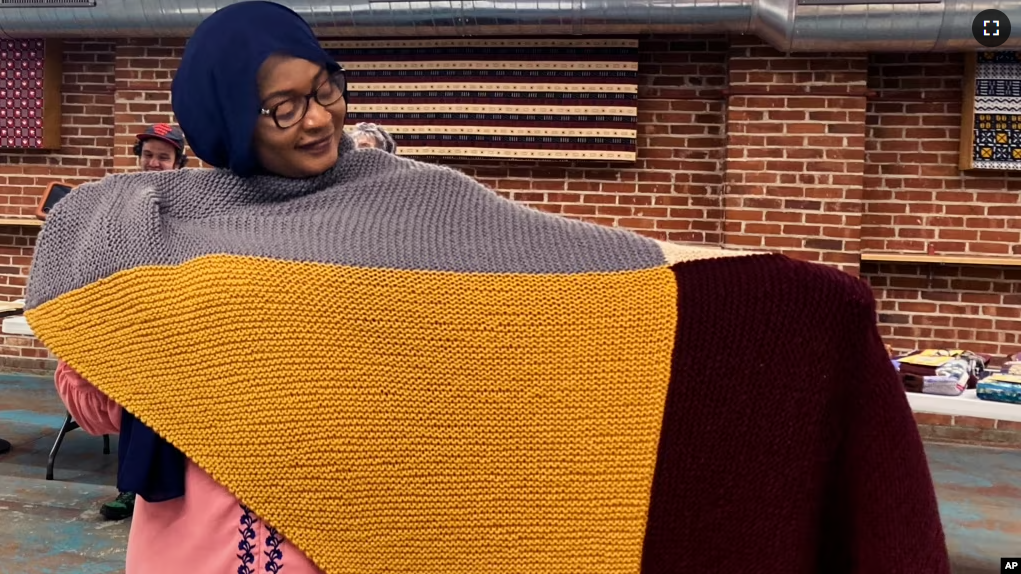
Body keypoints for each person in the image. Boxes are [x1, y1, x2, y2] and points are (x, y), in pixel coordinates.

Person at [24, 2, 950, 574]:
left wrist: (777, 294)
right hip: (195, 532)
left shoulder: (407, 195)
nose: (318, 120)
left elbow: (573, 255)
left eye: (325, 88)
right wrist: (105, 371)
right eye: (282, 106)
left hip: (353, 522)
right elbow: (93, 359)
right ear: (225, 117)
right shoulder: (152, 220)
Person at [96, 122, 189, 522]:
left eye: (163, 157)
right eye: (148, 155)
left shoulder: (191, 204)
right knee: (136, 410)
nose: (154, 163)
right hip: (134, 320)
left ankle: (167, 495)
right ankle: (130, 490)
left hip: (177, 321)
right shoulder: (118, 203)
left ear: (178, 163)